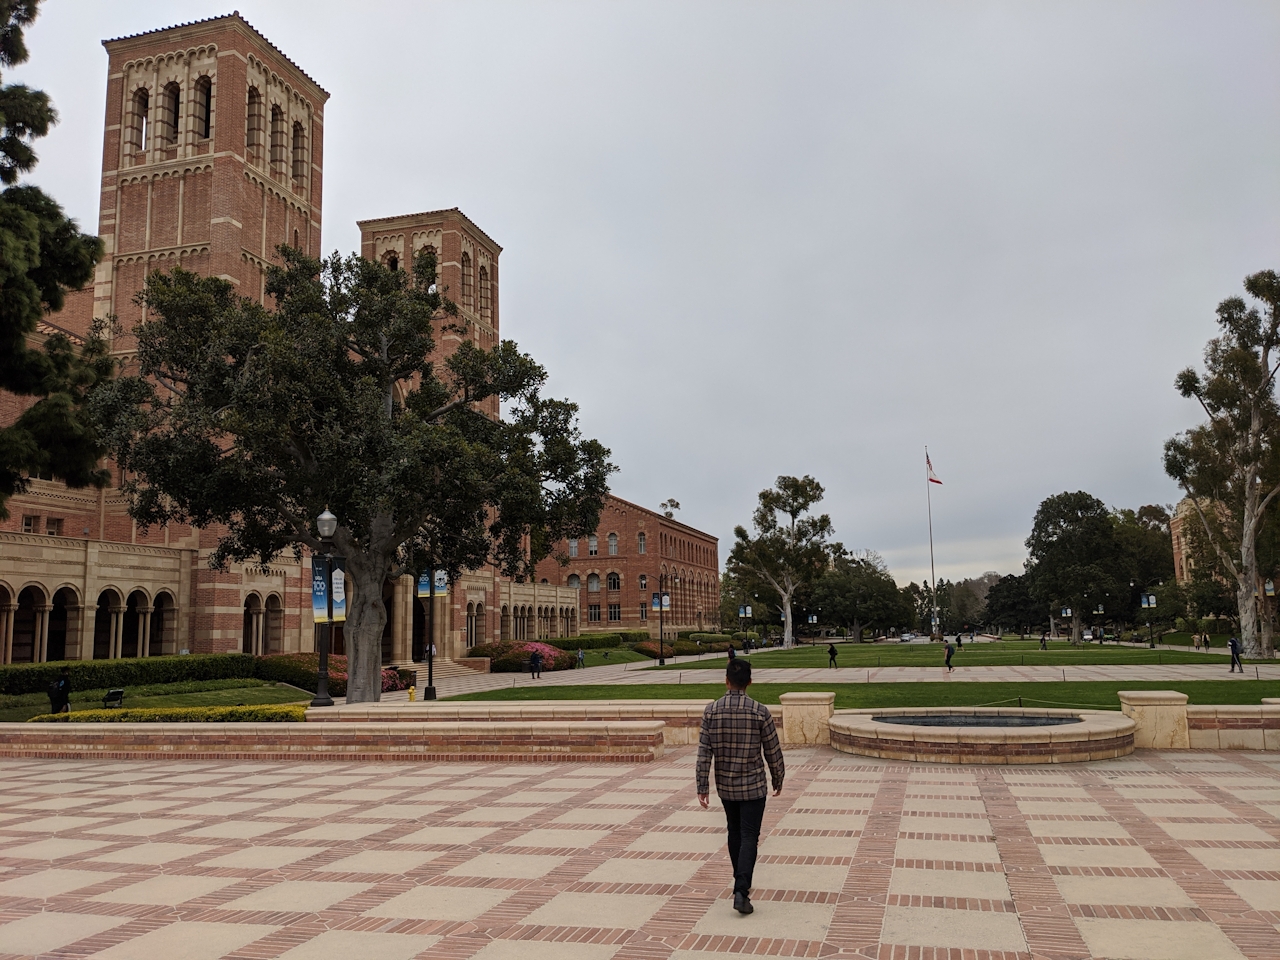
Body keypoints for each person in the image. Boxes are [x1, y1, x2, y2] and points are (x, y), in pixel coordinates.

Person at [696, 658, 784, 916]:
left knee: (734, 833)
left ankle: (740, 881)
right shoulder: (760, 711)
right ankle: (741, 890)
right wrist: (778, 778)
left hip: (726, 785)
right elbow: (773, 751)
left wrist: (702, 785)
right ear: (749, 682)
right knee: (749, 836)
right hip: (753, 785)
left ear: (726, 681)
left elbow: (704, 753)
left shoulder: (711, 711)